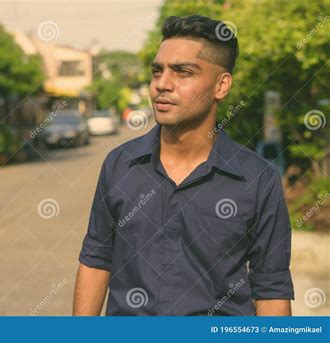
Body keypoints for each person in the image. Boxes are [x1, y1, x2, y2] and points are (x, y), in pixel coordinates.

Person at [73, 14, 294, 316]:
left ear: (221, 85)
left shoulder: (257, 179)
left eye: (182, 72)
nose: (162, 84)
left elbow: (271, 289)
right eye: (157, 71)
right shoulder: (120, 164)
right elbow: (96, 260)